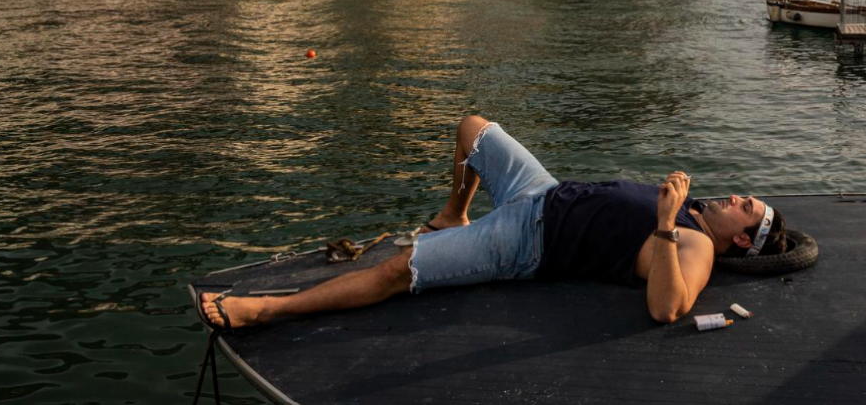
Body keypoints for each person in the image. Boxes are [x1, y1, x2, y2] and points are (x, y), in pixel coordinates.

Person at [200, 116, 787, 330]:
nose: (736, 196)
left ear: (740, 238)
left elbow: (669, 308)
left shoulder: (693, 244)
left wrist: (662, 223)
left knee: (400, 270)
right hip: (543, 191)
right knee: (473, 129)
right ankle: (454, 209)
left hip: (527, 242)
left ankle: (269, 310)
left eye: (746, 206)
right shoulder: (690, 210)